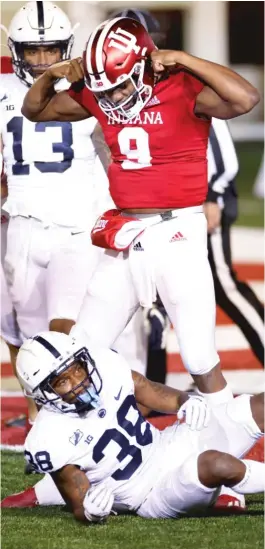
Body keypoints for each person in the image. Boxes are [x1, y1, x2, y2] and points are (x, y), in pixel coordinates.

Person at [21, 17, 260, 410]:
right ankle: (97, 437)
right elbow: (37, 111)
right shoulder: (100, 92)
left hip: (178, 231)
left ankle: (226, 440)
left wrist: (185, 58)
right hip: (126, 231)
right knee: (83, 348)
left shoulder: (182, 88)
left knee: (200, 358)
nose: (113, 98)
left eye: (121, 84)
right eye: (106, 89)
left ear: (144, 64)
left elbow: (246, 98)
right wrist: (56, 74)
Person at [1, 330, 264, 520]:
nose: (78, 381)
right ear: (43, 394)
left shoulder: (105, 365)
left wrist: (185, 401)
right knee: (216, 464)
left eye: (77, 369)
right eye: (61, 381)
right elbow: (78, 503)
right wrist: (91, 512)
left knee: (260, 406)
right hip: (151, 494)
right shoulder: (48, 437)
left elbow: (147, 388)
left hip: (167, 445)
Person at [0, 2, 111, 431]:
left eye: (51, 50)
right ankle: (42, 420)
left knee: (67, 335)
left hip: (77, 227)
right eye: (33, 51)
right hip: (23, 225)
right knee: (26, 338)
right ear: (16, 50)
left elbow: (114, 156)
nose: (44, 60)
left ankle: (89, 419)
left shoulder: (94, 92)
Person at [205, 118, 264, 366]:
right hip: (163, 202)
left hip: (201, 201)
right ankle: (154, 378)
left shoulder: (192, 82)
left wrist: (213, 194)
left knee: (223, 283)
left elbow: (221, 146)